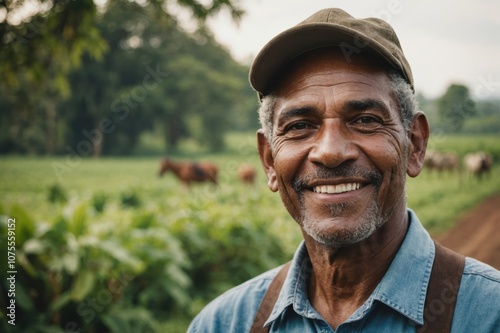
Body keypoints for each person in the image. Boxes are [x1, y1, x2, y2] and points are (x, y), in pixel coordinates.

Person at [187, 8, 500, 333]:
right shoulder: (222, 324)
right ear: (269, 160)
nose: (331, 152)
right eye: (299, 126)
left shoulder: (490, 315)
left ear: (415, 144)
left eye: (365, 120)